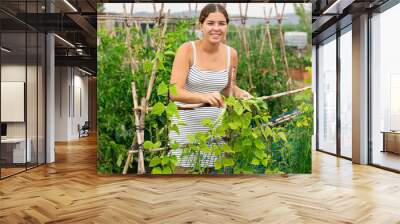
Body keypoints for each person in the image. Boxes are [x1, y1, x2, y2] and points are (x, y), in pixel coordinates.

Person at [169, 3, 251, 170]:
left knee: (212, 187)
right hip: (187, 131)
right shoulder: (187, 50)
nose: (216, 28)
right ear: (201, 25)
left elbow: (228, 88)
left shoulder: (231, 54)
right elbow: (174, 91)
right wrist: (203, 97)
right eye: (210, 23)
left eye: (221, 23)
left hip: (215, 131)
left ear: (227, 26)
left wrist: (240, 93)